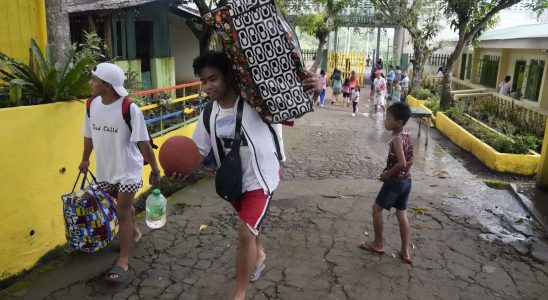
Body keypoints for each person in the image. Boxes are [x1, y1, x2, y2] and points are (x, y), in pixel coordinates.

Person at [173, 51, 321, 300]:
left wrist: (315, 89)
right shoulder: (209, 113)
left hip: (261, 179)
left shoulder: (257, 101)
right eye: (204, 81)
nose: (208, 86)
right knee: (250, 225)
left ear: (228, 76)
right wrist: (181, 169)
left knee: (245, 233)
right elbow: (199, 149)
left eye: (213, 79)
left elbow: (294, 108)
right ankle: (259, 254)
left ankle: (239, 294)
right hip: (234, 182)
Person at [79, 63, 161, 282]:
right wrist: (85, 159)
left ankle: (123, 260)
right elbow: (89, 135)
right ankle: (134, 233)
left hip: (127, 170)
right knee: (122, 206)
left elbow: (144, 143)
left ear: (107, 85)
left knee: (121, 211)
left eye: (94, 79)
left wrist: (155, 169)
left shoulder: (129, 108)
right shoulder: (91, 104)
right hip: (106, 170)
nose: (90, 82)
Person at [359, 102, 414, 264]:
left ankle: (378, 243)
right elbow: (408, 162)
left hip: (395, 181)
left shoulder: (397, 139)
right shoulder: (407, 136)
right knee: (401, 213)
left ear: (399, 122)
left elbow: (402, 163)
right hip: (406, 181)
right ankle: (405, 251)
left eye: (388, 118)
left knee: (376, 209)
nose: (385, 120)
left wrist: (387, 174)